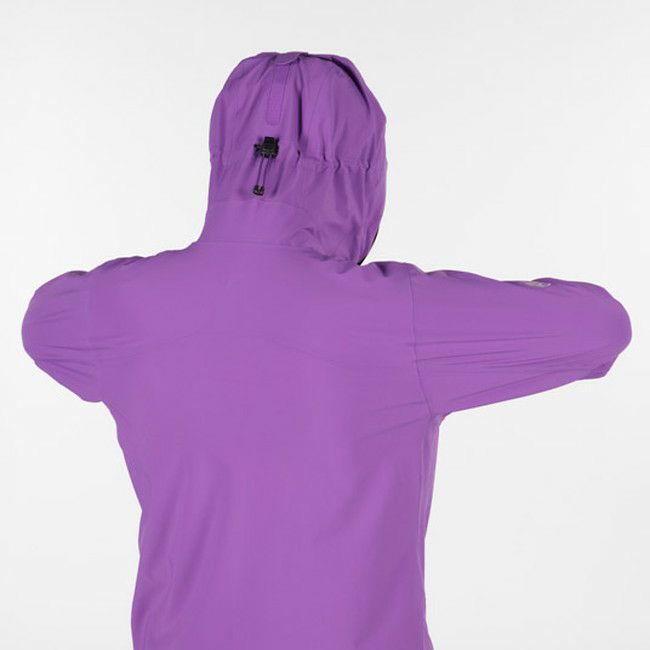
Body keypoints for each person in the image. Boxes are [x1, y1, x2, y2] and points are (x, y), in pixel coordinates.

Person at [22, 52, 631, 650]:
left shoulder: (120, 307)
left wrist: (151, 285)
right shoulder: (398, 317)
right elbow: (599, 327)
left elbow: (41, 325)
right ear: (362, 171)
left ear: (223, 155)